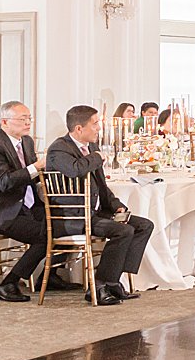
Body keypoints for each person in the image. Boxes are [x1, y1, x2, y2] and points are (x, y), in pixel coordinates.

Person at [45, 106, 155, 305]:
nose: (99, 128)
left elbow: (102, 187)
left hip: (96, 212)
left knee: (144, 225)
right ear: (79, 128)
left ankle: (113, 280)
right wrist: (98, 157)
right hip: (74, 215)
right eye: (95, 124)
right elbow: (74, 170)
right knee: (123, 231)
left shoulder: (92, 148)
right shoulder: (59, 148)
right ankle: (100, 284)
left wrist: (116, 206)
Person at [0, 102, 68, 302]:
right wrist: (35, 167)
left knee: (68, 221)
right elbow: (4, 183)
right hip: (0, 210)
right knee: (45, 235)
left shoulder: (26, 141)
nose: (28, 122)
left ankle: (50, 275)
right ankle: (9, 283)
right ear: (5, 122)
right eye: (22, 119)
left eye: (29, 118)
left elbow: (32, 176)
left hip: (26, 204)